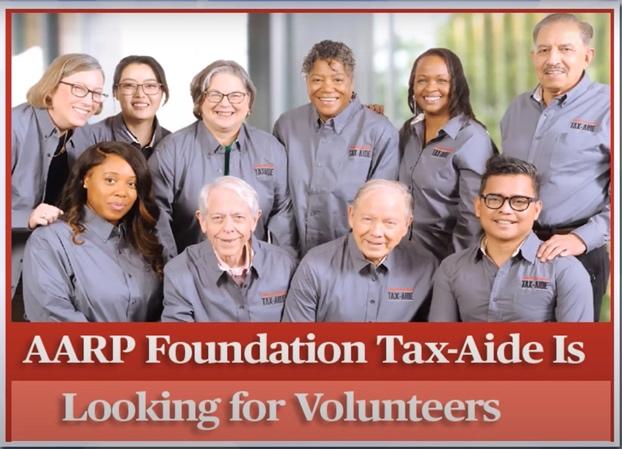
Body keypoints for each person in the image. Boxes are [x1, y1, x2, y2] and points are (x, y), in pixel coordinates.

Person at [500, 13, 609, 321]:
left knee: (573, 352)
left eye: (565, 49)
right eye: (544, 50)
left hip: (579, 251)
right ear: (533, 57)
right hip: (518, 248)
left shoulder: (610, 107)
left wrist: (582, 238)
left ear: (587, 56)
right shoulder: (517, 109)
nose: (553, 59)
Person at [149, 60, 297, 260]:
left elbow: (283, 218)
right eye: (214, 95)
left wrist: (281, 269)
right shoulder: (171, 151)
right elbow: (156, 219)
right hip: (190, 275)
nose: (225, 103)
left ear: (249, 103)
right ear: (199, 102)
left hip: (256, 277)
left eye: (236, 95)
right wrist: (174, 273)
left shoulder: (271, 150)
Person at [429, 155, 593, 322]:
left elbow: (577, 346)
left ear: (536, 210)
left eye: (519, 201)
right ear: (478, 206)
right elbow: (440, 342)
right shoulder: (450, 268)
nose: (506, 209)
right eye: (494, 199)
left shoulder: (566, 271)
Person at [273, 40, 399, 255]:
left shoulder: (379, 131)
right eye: (317, 80)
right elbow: (280, 200)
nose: (327, 88)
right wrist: (284, 255)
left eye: (338, 79)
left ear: (351, 81)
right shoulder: (287, 126)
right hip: (292, 258)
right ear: (307, 81)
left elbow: (380, 206)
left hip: (354, 260)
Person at [22, 141, 164, 322]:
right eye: (110, 180)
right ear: (85, 179)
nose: (122, 192)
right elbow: (51, 317)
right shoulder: (50, 241)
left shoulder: (143, 242)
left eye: (132, 184)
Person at [11, 53, 106, 321]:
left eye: (96, 93)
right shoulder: (12, 127)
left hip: (45, 275)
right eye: (79, 88)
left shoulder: (79, 139)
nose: (88, 101)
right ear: (52, 87)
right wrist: (26, 216)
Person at [282, 179, 436, 322]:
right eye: (367, 219)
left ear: (406, 225)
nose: (376, 232)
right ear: (351, 216)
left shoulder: (427, 268)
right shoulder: (314, 266)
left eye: (389, 223)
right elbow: (294, 343)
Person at [398, 48, 496, 261]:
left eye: (442, 80)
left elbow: (473, 217)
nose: (430, 88)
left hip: (445, 261)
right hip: (401, 259)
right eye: (422, 80)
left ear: (456, 86)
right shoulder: (409, 131)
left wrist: (454, 269)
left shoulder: (472, 138)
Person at [162, 176, 297, 322]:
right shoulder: (178, 272)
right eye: (217, 218)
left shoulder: (285, 265)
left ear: (254, 220)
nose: (228, 228)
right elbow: (178, 341)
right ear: (202, 221)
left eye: (238, 217)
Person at [73, 55, 171, 159]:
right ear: (115, 92)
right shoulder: (91, 138)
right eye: (129, 85)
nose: (140, 94)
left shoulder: (172, 144)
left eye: (150, 86)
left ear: (162, 92)